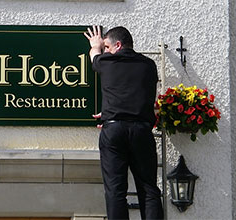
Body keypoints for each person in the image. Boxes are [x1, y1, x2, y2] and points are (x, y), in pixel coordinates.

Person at [84, 25, 164, 219]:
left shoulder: (107, 61)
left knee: (115, 190)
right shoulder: (148, 65)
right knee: (149, 189)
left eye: (108, 47)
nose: (107, 51)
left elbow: (94, 56)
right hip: (142, 130)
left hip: (114, 130)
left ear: (117, 45)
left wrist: (96, 45)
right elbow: (136, 91)